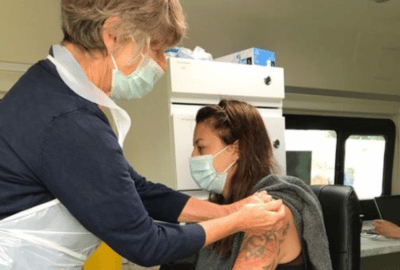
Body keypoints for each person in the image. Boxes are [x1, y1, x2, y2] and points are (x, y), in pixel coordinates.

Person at [0, 1, 286, 269]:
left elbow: (138, 190)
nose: (161, 65)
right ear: (112, 34)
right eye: (157, 50)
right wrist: (238, 221)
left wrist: (228, 212)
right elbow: (147, 245)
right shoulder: (69, 121)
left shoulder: (48, 88)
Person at [162, 99, 332, 270]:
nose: (193, 155)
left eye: (201, 147)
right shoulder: (219, 208)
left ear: (236, 150)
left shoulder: (272, 211)